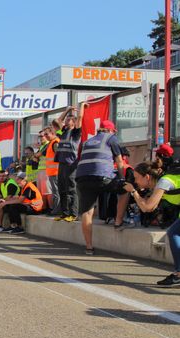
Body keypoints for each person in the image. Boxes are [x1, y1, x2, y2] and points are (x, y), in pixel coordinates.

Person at [124, 159, 180, 287]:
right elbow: (147, 207)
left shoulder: (164, 182)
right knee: (175, 233)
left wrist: (133, 191)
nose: (136, 181)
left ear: (147, 177)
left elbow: (148, 207)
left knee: (174, 233)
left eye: (137, 178)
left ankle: (179, 274)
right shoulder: (159, 184)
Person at [75, 120, 124, 255]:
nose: (115, 133)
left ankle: (89, 247)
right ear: (110, 130)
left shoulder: (87, 142)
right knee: (126, 189)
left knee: (87, 212)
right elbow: (120, 161)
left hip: (82, 178)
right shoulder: (111, 138)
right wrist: (121, 178)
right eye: (114, 131)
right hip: (102, 177)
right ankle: (118, 221)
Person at [54, 104, 85, 222]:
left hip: (71, 163)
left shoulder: (75, 133)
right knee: (62, 188)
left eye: (69, 119)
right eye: (66, 119)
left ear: (74, 122)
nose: (66, 121)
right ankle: (64, 213)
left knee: (71, 188)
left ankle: (73, 213)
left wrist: (81, 107)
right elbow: (57, 121)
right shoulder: (63, 131)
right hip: (61, 163)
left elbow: (80, 118)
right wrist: (67, 110)